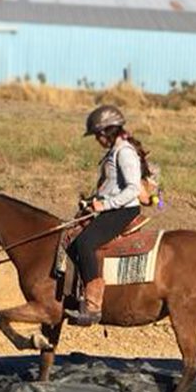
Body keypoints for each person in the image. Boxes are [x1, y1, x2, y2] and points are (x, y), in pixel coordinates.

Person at [64, 105, 150, 326]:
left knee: (85, 243)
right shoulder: (114, 151)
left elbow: (132, 189)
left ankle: (93, 306)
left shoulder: (125, 152)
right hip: (112, 206)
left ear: (106, 132)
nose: (96, 140)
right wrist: (93, 201)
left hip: (123, 210)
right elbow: (112, 185)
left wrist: (105, 205)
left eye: (97, 136)